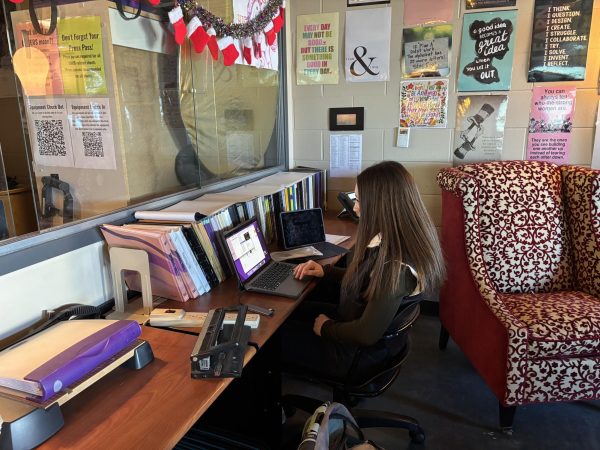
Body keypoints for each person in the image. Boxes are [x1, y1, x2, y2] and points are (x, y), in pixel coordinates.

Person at [280, 161, 446, 381]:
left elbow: (366, 334)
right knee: (292, 311)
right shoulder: (401, 239)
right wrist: (325, 272)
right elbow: (369, 280)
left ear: (380, 204)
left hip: (353, 355)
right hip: (354, 324)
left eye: (358, 200)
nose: (354, 207)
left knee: (271, 341)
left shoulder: (395, 268)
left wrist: (327, 328)